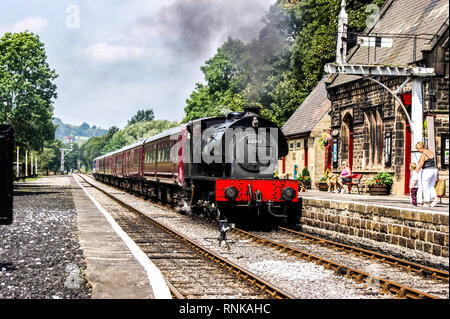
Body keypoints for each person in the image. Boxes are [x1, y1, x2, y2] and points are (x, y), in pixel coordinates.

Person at [415, 141, 438, 207]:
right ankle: (434, 198)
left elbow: (420, 165)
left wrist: (415, 172)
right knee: (431, 186)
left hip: (427, 171)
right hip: (434, 170)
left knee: (425, 186)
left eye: (418, 149)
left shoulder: (423, 155)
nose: (418, 151)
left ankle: (427, 202)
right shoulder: (430, 152)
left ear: (420, 147)